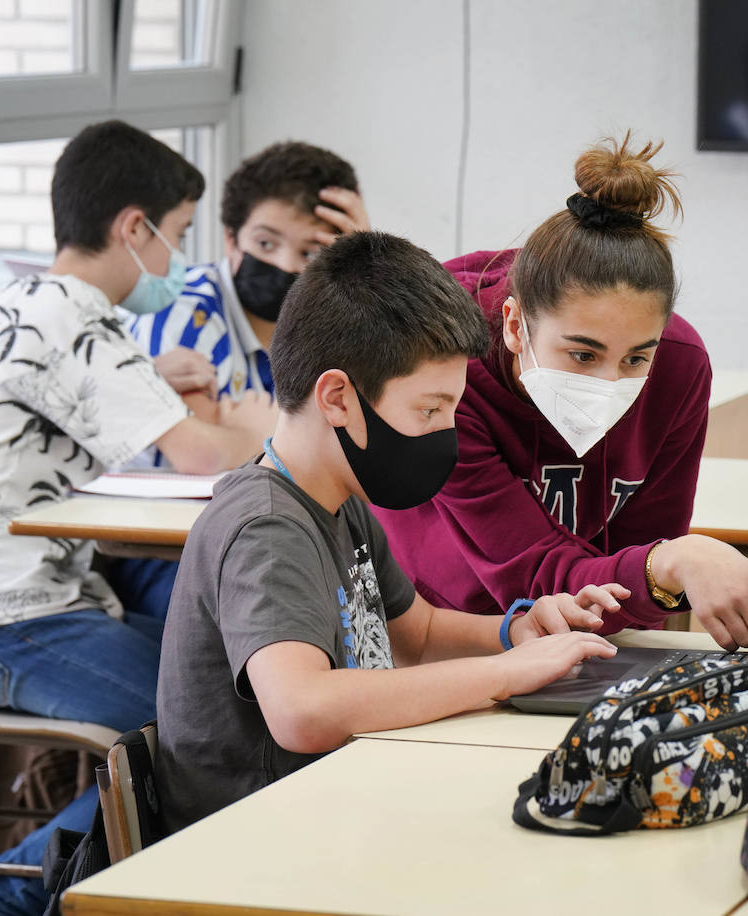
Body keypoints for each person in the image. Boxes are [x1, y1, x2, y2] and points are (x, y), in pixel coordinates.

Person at [155, 230, 620, 832]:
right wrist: (504, 675)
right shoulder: (266, 527)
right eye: (429, 410)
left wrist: (517, 631)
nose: (446, 433)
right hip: (257, 842)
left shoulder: (339, 497)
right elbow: (303, 710)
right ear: (338, 398)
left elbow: (418, 633)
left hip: (334, 806)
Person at [0, 120, 276, 916]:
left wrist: (156, 378)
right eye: (178, 235)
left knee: (224, 684)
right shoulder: (75, 314)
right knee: (203, 721)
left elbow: (94, 405)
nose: (176, 261)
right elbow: (201, 454)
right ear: (134, 228)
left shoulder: (35, 299)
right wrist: (276, 425)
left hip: (7, 598)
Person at [372, 135, 748, 653]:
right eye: (582, 355)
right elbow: (530, 575)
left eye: (636, 358)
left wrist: (662, 576)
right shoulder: (445, 372)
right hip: (447, 637)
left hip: (585, 641)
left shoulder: (679, 366)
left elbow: (642, 557)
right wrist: (673, 564)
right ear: (514, 325)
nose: (608, 385)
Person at [112, 141, 370, 619]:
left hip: (271, 536)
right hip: (159, 548)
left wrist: (363, 266)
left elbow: (367, 435)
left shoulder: (328, 317)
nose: (288, 266)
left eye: (312, 251)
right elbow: (203, 459)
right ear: (231, 239)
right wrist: (271, 435)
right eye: (266, 244)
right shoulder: (185, 312)